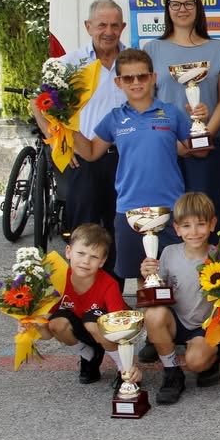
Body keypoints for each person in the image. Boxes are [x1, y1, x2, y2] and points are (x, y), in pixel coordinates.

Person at [72, 48, 188, 281]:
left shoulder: (172, 113)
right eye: (128, 78)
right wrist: (66, 127)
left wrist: (199, 122)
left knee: (174, 276)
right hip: (130, 210)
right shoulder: (114, 117)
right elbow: (91, 153)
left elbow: (192, 149)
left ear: (153, 78)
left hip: (171, 208)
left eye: (142, 76)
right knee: (142, 278)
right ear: (118, 82)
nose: (136, 83)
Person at [32, 0, 126, 283]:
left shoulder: (132, 61)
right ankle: (81, 296)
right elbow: (39, 105)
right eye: (101, 25)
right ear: (88, 26)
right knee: (83, 232)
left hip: (124, 158)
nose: (108, 31)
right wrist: (58, 142)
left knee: (119, 229)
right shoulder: (69, 63)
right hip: (84, 158)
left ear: (122, 27)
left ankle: (112, 296)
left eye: (114, 25)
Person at [144, 0, 220, 220]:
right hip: (167, 145)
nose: (182, 9)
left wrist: (203, 138)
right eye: (175, 4)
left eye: (188, 3)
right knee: (168, 215)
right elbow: (147, 101)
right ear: (168, 9)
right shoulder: (152, 49)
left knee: (205, 213)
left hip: (208, 146)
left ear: (197, 7)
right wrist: (174, 142)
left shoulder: (217, 48)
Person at [139, 193, 220, 404]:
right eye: (186, 226)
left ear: (212, 224)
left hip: (204, 325)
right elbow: (157, 290)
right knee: (153, 315)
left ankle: (214, 352)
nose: (194, 232)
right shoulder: (169, 253)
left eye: (200, 224)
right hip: (176, 321)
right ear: (177, 228)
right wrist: (148, 275)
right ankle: (172, 371)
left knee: (196, 363)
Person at [36, 223, 138, 387]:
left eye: (94, 257)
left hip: (107, 328)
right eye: (81, 253)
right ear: (68, 252)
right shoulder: (58, 279)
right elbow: (46, 334)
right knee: (56, 323)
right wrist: (33, 325)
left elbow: (120, 328)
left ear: (102, 261)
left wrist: (129, 362)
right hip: (81, 325)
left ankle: (124, 369)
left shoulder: (109, 284)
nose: (85, 261)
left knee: (92, 322)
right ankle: (89, 355)